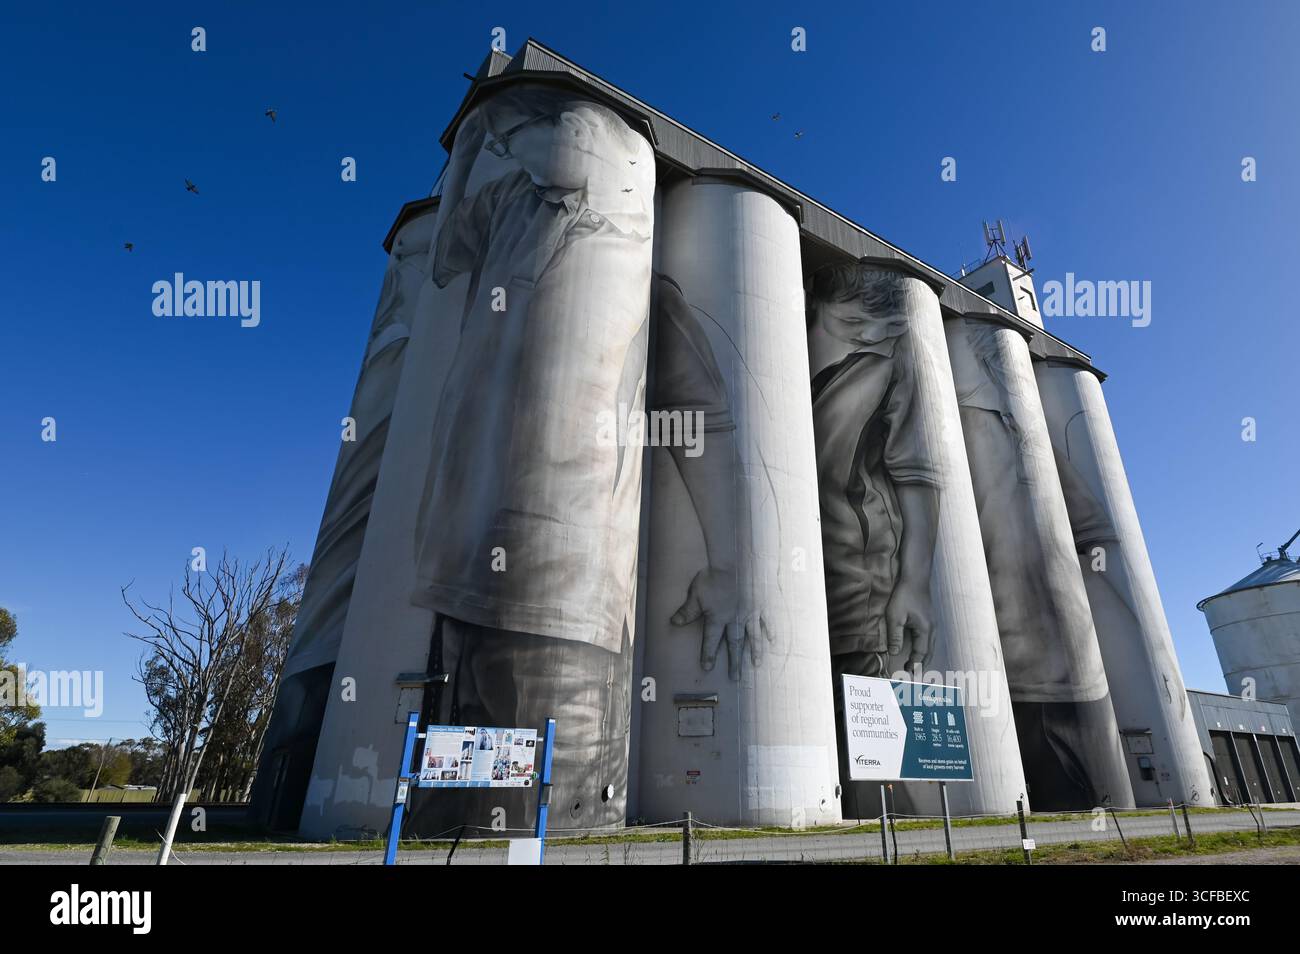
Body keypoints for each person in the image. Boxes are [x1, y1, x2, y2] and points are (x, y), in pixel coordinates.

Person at [807, 264, 940, 680]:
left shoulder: (895, 360)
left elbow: (918, 475)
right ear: (814, 305)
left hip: (859, 598)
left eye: (887, 326)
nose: (869, 335)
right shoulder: (789, 344)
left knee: (862, 734)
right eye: (852, 321)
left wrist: (915, 582)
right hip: (793, 593)